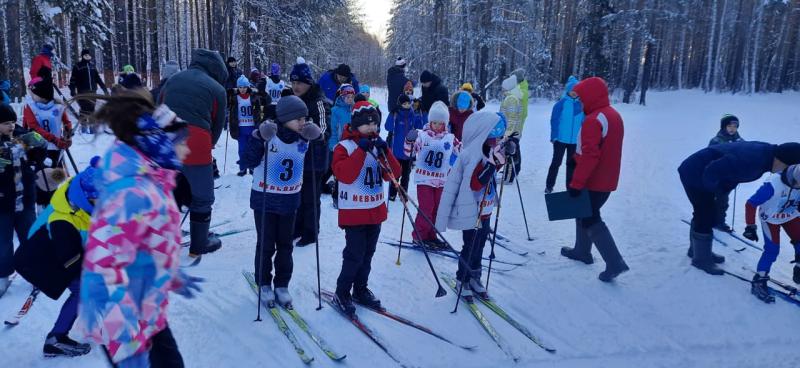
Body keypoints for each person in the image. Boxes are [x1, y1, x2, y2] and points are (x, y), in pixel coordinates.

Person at [77, 91, 201, 367]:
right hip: (125, 324)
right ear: (160, 142)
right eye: (181, 143)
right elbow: (105, 267)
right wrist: (125, 344)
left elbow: (144, 245)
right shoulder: (134, 192)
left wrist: (169, 274)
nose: (187, 150)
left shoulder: (153, 181)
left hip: (146, 310)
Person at [241, 96, 321, 306]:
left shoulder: (303, 139)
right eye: (299, 119)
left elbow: (319, 166)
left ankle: (282, 284)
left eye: (305, 119)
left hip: (289, 201)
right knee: (266, 244)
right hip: (265, 199)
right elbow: (247, 161)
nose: (303, 123)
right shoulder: (269, 135)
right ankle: (264, 282)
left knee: (286, 245)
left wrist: (318, 140)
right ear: (285, 119)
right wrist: (258, 138)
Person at [14, 158, 99, 357]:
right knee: (83, 291)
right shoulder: (64, 221)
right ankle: (55, 339)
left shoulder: (78, 192)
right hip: (43, 260)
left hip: (57, 250)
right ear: (88, 197)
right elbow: (72, 261)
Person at [680, 141, 800, 275]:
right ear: (782, 160)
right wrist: (713, 193)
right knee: (705, 212)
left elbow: (733, 174)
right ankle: (701, 259)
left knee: (705, 212)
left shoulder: (766, 156)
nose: (785, 172)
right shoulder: (754, 160)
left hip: (703, 171)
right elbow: (714, 169)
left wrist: (722, 189)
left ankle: (696, 251)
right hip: (695, 171)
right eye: (787, 168)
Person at [331, 101, 400, 316]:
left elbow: (393, 174)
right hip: (354, 212)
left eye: (375, 124)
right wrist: (361, 150)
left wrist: (385, 150)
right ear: (356, 124)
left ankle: (360, 289)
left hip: (374, 211)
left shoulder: (376, 147)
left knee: (368, 255)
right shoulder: (344, 147)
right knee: (354, 256)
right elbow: (345, 175)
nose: (372, 128)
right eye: (367, 124)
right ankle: (342, 292)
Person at [159, 48, 228, 259]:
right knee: (202, 197)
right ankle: (200, 244)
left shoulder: (173, 79)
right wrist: (209, 147)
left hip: (166, 142)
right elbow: (217, 125)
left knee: (166, 193)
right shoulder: (217, 88)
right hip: (197, 143)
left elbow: (158, 107)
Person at [435, 110, 509, 300]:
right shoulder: (471, 155)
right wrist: (492, 165)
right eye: (495, 135)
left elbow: (496, 168)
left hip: (486, 209)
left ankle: (475, 278)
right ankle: (463, 279)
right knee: (470, 246)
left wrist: (505, 155)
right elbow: (476, 183)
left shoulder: (489, 149)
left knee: (480, 245)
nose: (497, 139)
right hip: (471, 211)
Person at [561, 77, 629, 282]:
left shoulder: (593, 120)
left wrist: (576, 183)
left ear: (591, 96)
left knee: (590, 217)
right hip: (607, 179)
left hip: (593, 180)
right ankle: (582, 251)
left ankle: (615, 262)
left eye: (581, 98)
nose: (580, 103)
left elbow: (591, 155)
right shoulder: (612, 115)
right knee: (581, 212)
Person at [0, 105, 45, 298]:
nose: (11, 126)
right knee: (3, 243)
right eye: (5, 123)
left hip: (25, 200)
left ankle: (36, 274)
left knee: (30, 238)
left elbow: (39, 151)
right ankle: (3, 276)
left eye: (12, 122)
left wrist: (38, 147)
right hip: (2, 205)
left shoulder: (20, 136)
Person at [405, 101, 460, 248]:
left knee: (437, 209)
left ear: (445, 123)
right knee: (426, 208)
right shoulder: (422, 136)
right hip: (425, 179)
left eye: (440, 123)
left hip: (441, 180)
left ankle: (431, 235)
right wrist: (409, 140)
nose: (436, 126)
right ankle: (419, 235)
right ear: (429, 121)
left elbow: (462, 152)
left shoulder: (450, 138)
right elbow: (408, 151)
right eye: (434, 122)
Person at [289, 57, 331, 247]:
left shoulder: (318, 101)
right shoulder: (292, 100)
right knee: (296, 195)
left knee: (310, 197)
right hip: (297, 157)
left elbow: (323, 131)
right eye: (294, 82)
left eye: (300, 83)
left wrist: (307, 130)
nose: (296, 86)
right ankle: (297, 228)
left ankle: (311, 232)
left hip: (315, 158)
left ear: (308, 83)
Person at [743, 165, 800, 303]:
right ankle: (759, 279)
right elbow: (751, 204)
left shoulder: (797, 181)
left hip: (790, 215)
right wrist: (750, 226)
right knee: (772, 250)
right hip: (770, 218)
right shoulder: (773, 185)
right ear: (794, 180)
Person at [23, 77, 72, 205]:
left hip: (56, 149)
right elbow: (34, 127)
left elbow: (66, 122)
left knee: (54, 177)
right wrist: (54, 139)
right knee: (41, 179)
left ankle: (55, 203)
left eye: (33, 93)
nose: (31, 96)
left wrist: (68, 135)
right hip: (39, 149)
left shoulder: (58, 106)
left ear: (41, 94)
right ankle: (42, 205)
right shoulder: (30, 107)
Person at [545, 76, 584, 194]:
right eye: (572, 90)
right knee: (556, 163)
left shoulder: (582, 105)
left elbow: (585, 122)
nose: (574, 93)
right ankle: (549, 185)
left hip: (575, 142)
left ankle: (570, 187)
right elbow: (554, 120)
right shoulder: (561, 104)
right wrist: (554, 136)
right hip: (560, 140)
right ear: (568, 90)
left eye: (576, 91)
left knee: (571, 165)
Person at [708, 114, 745, 233]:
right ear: (724, 126)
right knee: (717, 199)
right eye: (729, 125)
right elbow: (710, 157)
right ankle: (713, 221)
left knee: (723, 200)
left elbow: (746, 155)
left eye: (735, 126)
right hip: (717, 176)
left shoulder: (740, 141)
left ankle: (718, 221)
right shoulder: (716, 141)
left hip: (730, 178)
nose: (732, 128)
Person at [386, 94, 424, 201]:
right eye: (404, 103)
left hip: (409, 151)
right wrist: (391, 114)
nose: (407, 105)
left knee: (406, 175)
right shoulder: (396, 114)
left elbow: (420, 128)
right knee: (395, 174)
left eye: (408, 103)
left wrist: (420, 114)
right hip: (397, 150)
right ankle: (392, 193)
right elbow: (388, 127)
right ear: (400, 104)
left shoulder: (413, 114)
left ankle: (403, 194)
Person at [326, 84, 356, 208]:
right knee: (339, 173)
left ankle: (350, 196)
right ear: (342, 97)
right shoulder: (335, 111)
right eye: (347, 97)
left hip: (352, 145)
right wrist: (333, 145)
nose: (350, 99)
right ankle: (336, 197)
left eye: (351, 97)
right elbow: (333, 129)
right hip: (339, 145)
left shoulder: (354, 110)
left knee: (351, 172)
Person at [230, 75, 266, 176]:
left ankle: (252, 167)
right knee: (242, 149)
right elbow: (231, 111)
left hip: (252, 127)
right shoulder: (234, 98)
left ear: (248, 87)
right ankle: (242, 168)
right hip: (240, 128)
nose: (242, 89)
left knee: (252, 149)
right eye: (240, 87)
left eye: (244, 87)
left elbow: (260, 109)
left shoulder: (253, 97)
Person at [500, 75, 523, 183]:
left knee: (510, 154)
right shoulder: (511, 97)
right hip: (514, 132)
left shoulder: (512, 98)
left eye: (503, 87)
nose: (502, 90)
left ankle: (508, 177)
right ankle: (513, 172)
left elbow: (512, 118)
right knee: (514, 152)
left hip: (512, 133)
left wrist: (507, 134)